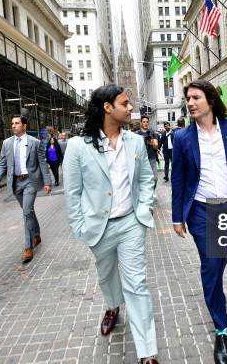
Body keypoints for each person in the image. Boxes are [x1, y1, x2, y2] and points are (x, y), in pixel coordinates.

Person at [63, 84, 159, 364]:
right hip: (98, 227)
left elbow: (145, 180)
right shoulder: (78, 146)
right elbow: (73, 192)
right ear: (107, 107)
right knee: (107, 276)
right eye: (125, 103)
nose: (131, 108)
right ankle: (112, 306)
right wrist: (80, 226)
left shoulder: (135, 142)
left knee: (137, 284)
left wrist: (143, 211)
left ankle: (147, 352)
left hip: (131, 223)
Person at [171, 79, 227, 364]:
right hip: (199, 211)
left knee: (218, 262)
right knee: (210, 263)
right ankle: (221, 330)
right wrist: (177, 217)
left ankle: (216, 291)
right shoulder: (183, 137)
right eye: (188, 99)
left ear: (210, 99)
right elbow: (179, 179)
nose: (191, 103)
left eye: (195, 97)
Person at [0, 115, 52, 263]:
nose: (13, 126)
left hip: (30, 181)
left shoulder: (35, 143)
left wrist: (48, 182)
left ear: (24, 126)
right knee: (28, 212)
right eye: (12, 123)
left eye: (17, 123)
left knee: (26, 212)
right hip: (16, 183)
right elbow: (2, 163)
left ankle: (28, 246)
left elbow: (42, 163)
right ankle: (36, 235)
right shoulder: (7, 143)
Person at [137, 116, 160, 183]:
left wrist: (152, 142)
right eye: (144, 122)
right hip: (141, 159)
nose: (145, 123)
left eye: (147, 122)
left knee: (155, 178)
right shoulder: (137, 134)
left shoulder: (152, 133)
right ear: (141, 123)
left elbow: (156, 146)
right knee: (142, 179)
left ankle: (151, 191)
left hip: (151, 158)